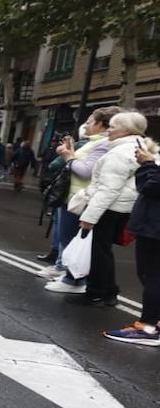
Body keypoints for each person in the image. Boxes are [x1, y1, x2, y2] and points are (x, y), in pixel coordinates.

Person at [68, 113, 148, 308]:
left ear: (127, 130)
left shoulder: (120, 153)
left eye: (113, 126)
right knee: (103, 250)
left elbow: (108, 188)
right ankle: (107, 291)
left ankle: (98, 293)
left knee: (99, 251)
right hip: (122, 206)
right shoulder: (139, 147)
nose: (108, 129)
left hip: (110, 207)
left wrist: (90, 217)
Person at [39, 107, 119, 285]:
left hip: (79, 197)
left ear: (100, 124)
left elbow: (85, 171)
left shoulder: (102, 144)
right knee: (69, 239)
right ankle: (71, 276)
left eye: (90, 122)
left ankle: (73, 280)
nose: (86, 125)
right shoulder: (94, 142)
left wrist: (68, 156)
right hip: (74, 196)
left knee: (72, 240)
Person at [104, 138, 160, 345]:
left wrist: (147, 163)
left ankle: (148, 328)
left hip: (155, 227)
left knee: (152, 275)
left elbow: (151, 186)